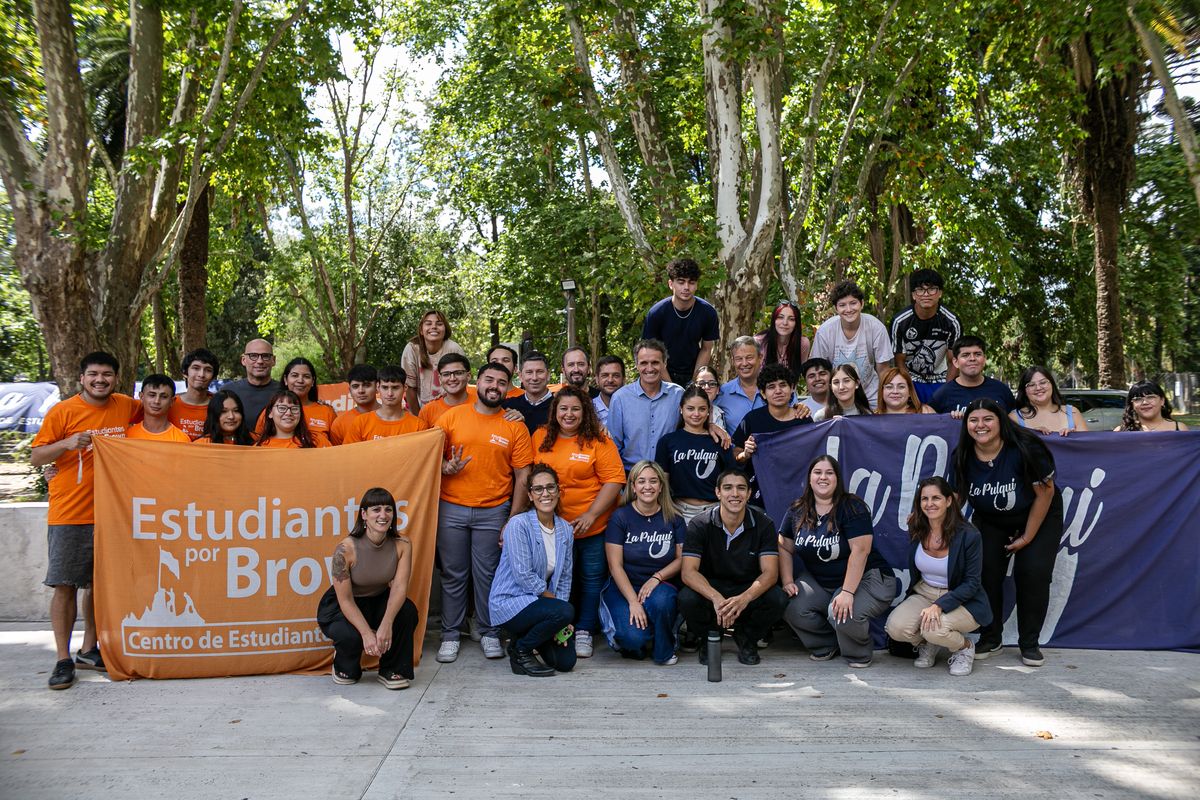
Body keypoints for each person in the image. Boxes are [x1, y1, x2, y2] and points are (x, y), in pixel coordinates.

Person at [31, 351, 140, 689]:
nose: (100, 380)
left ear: (116, 379)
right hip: (70, 513)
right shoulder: (62, 411)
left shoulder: (125, 406)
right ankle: (62, 659)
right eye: (93, 374)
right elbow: (37, 456)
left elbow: (157, 410)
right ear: (82, 378)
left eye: (107, 374)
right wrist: (64, 444)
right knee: (64, 585)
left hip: (112, 514)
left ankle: (88, 649)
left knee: (96, 586)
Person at [434, 361, 533, 663]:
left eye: (501, 382)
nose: (494, 386)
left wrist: (513, 519)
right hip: (451, 507)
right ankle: (450, 634)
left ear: (507, 387)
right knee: (453, 575)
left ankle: (490, 632)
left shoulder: (514, 425)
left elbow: (523, 477)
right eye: (489, 380)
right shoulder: (451, 417)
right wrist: (445, 467)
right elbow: (428, 460)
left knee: (488, 576)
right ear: (477, 382)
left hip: (493, 511)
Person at [951, 398, 1061, 667]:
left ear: (1000, 421)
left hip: (1038, 513)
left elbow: (1045, 492)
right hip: (991, 519)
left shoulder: (1025, 448)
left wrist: (1027, 537)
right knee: (985, 571)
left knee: (1032, 571)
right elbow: (956, 496)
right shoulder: (963, 454)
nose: (980, 425)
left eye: (987, 419)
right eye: (973, 420)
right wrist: (930, 518)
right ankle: (991, 636)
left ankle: (1029, 643)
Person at [531, 386, 626, 658]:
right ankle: (557, 627)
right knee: (555, 579)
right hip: (550, 527)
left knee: (591, 578)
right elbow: (530, 478)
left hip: (591, 527)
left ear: (585, 412)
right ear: (554, 411)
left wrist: (591, 515)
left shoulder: (598, 440)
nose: (569, 414)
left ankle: (584, 629)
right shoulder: (540, 437)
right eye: (563, 408)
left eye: (575, 409)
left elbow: (614, 480)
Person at [778, 455, 897, 668]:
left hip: (869, 579)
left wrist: (848, 593)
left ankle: (858, 654)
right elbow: (784, 546)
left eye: (829, 473)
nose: (823, 477)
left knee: (843, 613)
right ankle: (827, 645)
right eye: (818, 472)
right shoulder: (797, 510)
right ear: (809, 478)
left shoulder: (852, 507)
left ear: (837, 478)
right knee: (791, 606)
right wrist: (787, 580)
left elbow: (860, 551)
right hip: (823, 581)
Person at [679, 469, 787, 665]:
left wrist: (745, 598)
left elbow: (770, 573)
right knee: (686, 597)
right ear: (718, 493)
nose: (735, 494)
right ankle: (710, 636)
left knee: (778, 598)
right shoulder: (699, 524)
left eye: (741, 488)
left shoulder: (764, 523)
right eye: (728, 488)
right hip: (711, 588)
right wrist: (716, 598)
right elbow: (688, 572)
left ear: (748, 493)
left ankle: (747, 637)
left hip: (746, 587)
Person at [885, 477, 990, 676]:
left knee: (933, 629)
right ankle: (930, 642)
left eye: (936, 498)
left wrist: (939, 605)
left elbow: (972, 582)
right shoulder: (917, 527)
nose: (929, 504)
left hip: (961, 598)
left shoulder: (969, 535)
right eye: (924, 499)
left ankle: (964, 647)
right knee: (896, 628)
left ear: (949, 501)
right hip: (925, 592)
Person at [317, 487, 418, 689]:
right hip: (343, 604)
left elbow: (398, 588)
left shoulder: (403, 544)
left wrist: (386, 624)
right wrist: (366, 633)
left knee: (407, 612)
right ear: (364, 515)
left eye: (388, 509)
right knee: (351, 638)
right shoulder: (344, 550)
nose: (383, 515)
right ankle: (344, 664)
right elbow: (345, 600)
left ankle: (393, 669)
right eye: (376, 509)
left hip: (379, 598)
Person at [489, 464, 577, 677]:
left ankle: (523, 639)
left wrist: (560, 619)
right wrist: (559, 610)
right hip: (511, 601)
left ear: (558, 490)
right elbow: (523, 574)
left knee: (565, 662)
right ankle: (521, 651)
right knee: (564, 611)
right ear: (529, 495)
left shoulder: (565, 529)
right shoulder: (518, 524)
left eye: (550, 487)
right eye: (538, 489)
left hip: (539, 604)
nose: (545, 494)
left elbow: (564, 577)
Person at [600, 461, 685, 666]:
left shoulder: (674, 518)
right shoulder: (620, 517)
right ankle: (639, 636)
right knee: (633, 640)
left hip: (660, 585)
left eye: (653, 481)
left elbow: (682, 559)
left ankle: (664, 649)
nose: (648, 486)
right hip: (624, 586)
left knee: (661, 602)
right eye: (642, 481)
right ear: (633, 486)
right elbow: (615, 566)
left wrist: (657, 578)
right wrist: (633, 602)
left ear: (661, 486)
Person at [732, 362, 814, 507]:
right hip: (759, 498)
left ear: (792, 388)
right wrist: (745, 454)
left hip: (798, 497)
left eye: (783, 385)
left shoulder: (804, 420)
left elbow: (814, 455)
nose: (778, 391)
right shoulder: (752, 419)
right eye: (771, 387)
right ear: (763, 393)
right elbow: (735, 453)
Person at [655, 386, 735, 524]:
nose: (696, 414)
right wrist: (668, 510)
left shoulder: (720, 440)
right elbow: (663, 482)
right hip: (678, 510)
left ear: (709, 411)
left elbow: (731, 478)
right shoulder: (667, 441)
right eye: (690, 408)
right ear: (681, 409)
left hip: (715, 510)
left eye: (702, 409)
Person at [810, 280, 893, 409]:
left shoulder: (876, 328)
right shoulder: (825, 331)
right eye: (842, 305)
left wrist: (885, 403)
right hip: (837, 396)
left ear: (862, 303)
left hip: (870, 396)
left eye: (853, 303)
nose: (848, 309)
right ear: (836, 308)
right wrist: (827, 404)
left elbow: (884, 371)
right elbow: (819, 371)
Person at [607, 339, 685, 469]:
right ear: (636, 365)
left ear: (664, 363)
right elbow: (613, 445)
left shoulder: (678, 395)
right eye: (644, 363)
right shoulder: (620, 398)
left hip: (669, 474)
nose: (649, 368)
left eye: (655, 362)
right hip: (631, 475)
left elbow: (692, 428)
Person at [641, 257, 720, 385]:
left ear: (697, 285)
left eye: (691, 282)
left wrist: (695, 381)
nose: (686, 287)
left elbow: (706, 349)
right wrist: (670, 385)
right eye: (681, 282)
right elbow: (650, 354)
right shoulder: (657, 313)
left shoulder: (707, 312)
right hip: (660, 373)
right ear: (671, 284)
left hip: (694, 372)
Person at [889, 269, 961, 404]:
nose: (926, 294)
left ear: (940, 293)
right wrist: (910, 391)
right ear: (913, 295)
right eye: (920, 290)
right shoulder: (900, 321)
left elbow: (954, 362)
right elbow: (900, 362)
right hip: (911, 380)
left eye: (932, 289)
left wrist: (946, 391)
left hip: (941, 380)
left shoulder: (952, 322)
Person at [929, 336, 1015, 417]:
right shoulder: (943, 394)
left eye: (977, 354)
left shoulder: (1001, 390)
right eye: (965, 355)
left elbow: (1015, 423)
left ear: (984, 359)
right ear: (956, 362)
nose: (972, 358)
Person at [258, 357, 335, 446]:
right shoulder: (271, 411)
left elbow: (337, 447)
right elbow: (260, 442)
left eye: (306, 376)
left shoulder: (326, 411)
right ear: (286, 379)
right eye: (295, 375)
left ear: (313, 381)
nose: (300, 380)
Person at [344, 365, 431, 442]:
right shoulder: (360, 423)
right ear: (378, 388)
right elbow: (349, 456)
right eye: (385, 387)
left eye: (395, 387)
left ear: (405, 388)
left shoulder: (418, 426)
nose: (390, 393)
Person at [401, 309, 466, 411]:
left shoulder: (454, 349)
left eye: (439, 324)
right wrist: (419, 419)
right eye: (428, 323)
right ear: (421, 330)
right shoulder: (412, 349)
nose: (434, 327)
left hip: (451, 408)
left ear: (445, 329)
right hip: (421, 408)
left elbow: (462, 384)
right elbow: (410, 388)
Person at [1010, 366, 1089, 435]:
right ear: (1024, 391)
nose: (1038, 388)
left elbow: (1087, 447)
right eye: (1031, 385)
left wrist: (1074, 438)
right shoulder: (1014, 418)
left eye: (1043, 382)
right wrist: (1031, 437)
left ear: (1052, 385)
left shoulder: (1073, 413)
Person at [715, 335, 766, 433]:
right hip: (735, 448)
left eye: (749, 357)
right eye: (739, 359)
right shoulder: (722, 392)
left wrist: (799, 408)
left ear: (760, 358)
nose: (744, 363)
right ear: (733, 361)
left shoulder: (775, 389)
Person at [226, 338, 281, 425]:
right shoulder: (228, 391)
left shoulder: (284, 391)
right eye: (253, 356)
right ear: (243, 360)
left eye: (266, 356)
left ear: (273, 360)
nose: (260, 361)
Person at [169, 348, 219, 440]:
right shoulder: (169, 404)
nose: (201, 374)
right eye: (196, 368)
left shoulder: (219, 406)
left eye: (208, 370)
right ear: (185, 372)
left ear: (213, 377)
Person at [127, 374, 191, 442]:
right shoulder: (128, 435)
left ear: (172, 401)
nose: (157, 401)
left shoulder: (181, 440)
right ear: (141, 397)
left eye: (163, 397)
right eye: (152, 395)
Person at [756, 299, 811, 377]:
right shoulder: (759, 342)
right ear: (774, 320)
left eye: (791, 319)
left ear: (796, 323)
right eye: (780, 317)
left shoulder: (802, 344)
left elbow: (799, 374)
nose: (785, 323)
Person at [504, 351, 554, 434]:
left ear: (548, 375)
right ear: (520, 376)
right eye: (529, 372)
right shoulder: (508, 406)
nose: (534, 378)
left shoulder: (560, 407)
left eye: (539, 372)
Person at [255, 389, 324, 448]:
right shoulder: (259, 447)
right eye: (282, 408)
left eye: (294, 409)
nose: (288, 413)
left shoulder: (317, 440)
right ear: (270, 413)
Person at [418, 354, 474, 426]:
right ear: (440, 379)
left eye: (458, 373)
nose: (452, 378)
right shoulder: (428, 411)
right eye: (446, 374)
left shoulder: (480, 404)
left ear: (468, 376)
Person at [330, 364, 379, 445]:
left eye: (367, 385)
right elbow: (337, 455)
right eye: (355, 386)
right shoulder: (339, 423)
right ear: (350, 390)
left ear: (377, 387)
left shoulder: (392, 417)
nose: (361, 390)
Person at [1116, 380, 1189, 431]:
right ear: (1132, 405)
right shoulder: (1120, 432)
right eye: (1138, 399)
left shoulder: (1180, 429)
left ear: (1162, 401)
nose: (1145, 402)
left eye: (1150, 397)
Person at [592, 355, 626, 426]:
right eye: (605, 375)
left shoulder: (632, 408)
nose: (610, 380)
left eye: (616, 375)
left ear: (624, 380)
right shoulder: (588, 409)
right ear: (597, 380)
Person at [692, 365, 726, 430]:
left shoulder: (720, 413)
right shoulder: (686, 412)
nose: (707, 387)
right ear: (694, 387)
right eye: (701, 383)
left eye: (712, 384)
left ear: (718, 390)